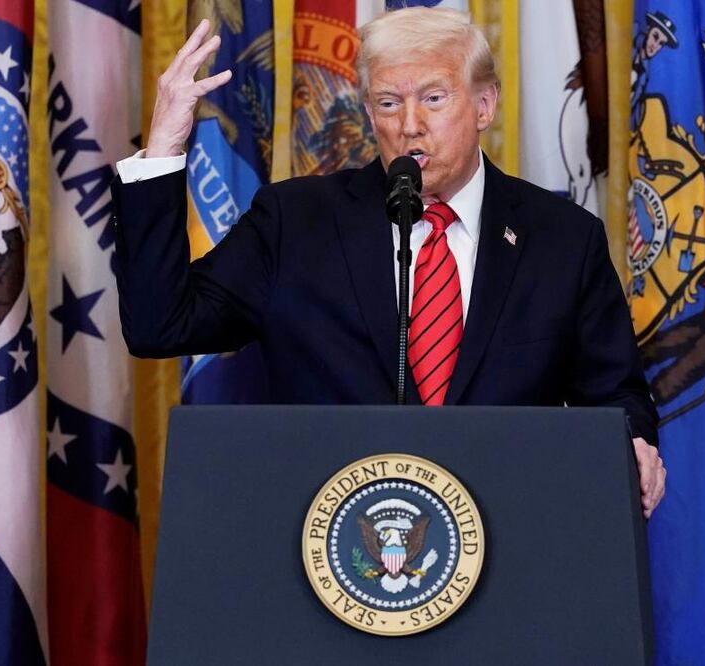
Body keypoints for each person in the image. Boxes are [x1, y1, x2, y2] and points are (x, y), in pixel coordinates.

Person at [111, 7, 666, 517]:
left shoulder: (563, 239)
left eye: (433, 98)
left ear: (484, 106)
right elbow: (161, 324)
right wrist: (162, 152)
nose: (409, 125)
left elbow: (616, 395)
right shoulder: (295, 222)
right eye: (388, 102)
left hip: (511, 545)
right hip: (328, 553)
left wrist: (632, 444)